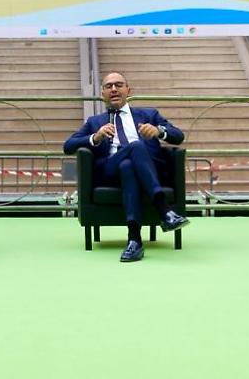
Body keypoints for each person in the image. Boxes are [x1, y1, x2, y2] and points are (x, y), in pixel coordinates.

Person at [63, 71, 189, 262]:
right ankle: (164, 210)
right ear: (103, 94)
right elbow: (68, 146)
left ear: (128, 90)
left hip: (147, 169)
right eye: (109, 86)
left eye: (119, 85)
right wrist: (95, 137)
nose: (114, 89)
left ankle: (134, 240)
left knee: (128, 166)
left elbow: (178, 136)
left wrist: (158, 131)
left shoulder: (149, 114)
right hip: (109, 171)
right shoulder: (95, 122)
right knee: (135, 147)